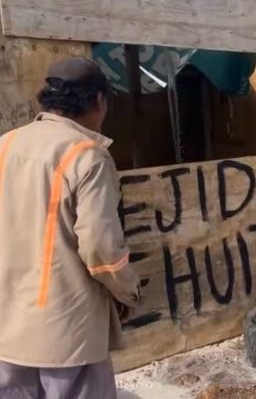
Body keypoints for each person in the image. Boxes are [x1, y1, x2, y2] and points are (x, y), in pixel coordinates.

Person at [0, 57, 141, 399]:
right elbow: (100, 248)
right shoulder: (86, 155)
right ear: (98, 101)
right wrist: (128, 291)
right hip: (65, 332)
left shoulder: (5, 144)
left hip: (6, 324)